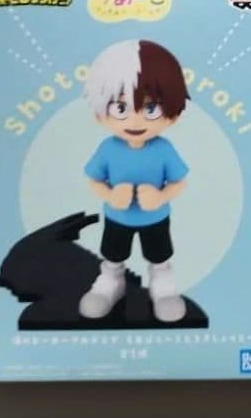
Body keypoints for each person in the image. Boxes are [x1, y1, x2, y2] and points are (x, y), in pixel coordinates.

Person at [79, 39, 190, 323]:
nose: (136, 120)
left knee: (159, 256)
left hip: (156, 218)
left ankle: (163, 286)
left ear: (172, 114)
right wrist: (110, 195)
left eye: (151, 108)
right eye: (120, 107)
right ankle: (111, 282)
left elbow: (180, 182)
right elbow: (93, 179)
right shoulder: (108, 149)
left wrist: (161, 196)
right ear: (100, 112)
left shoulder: (164, 149)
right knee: (113, 254)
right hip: (117, 217)